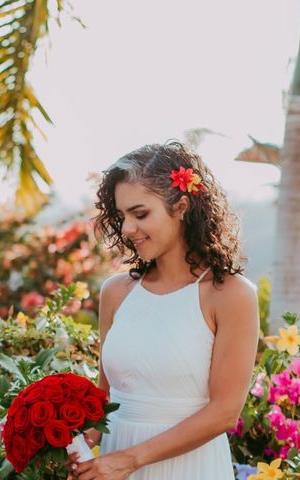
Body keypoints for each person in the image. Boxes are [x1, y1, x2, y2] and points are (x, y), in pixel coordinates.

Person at [66, 141, 259, 479]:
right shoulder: (116, 292)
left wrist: (130, 460)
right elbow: (106, 395)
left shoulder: (230, 296)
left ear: (181, 206)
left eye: (140, 214)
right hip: (114, 465)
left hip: (190, 467)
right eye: (122, 215)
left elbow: (225, 412)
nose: (127, 229)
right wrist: (72, 442)